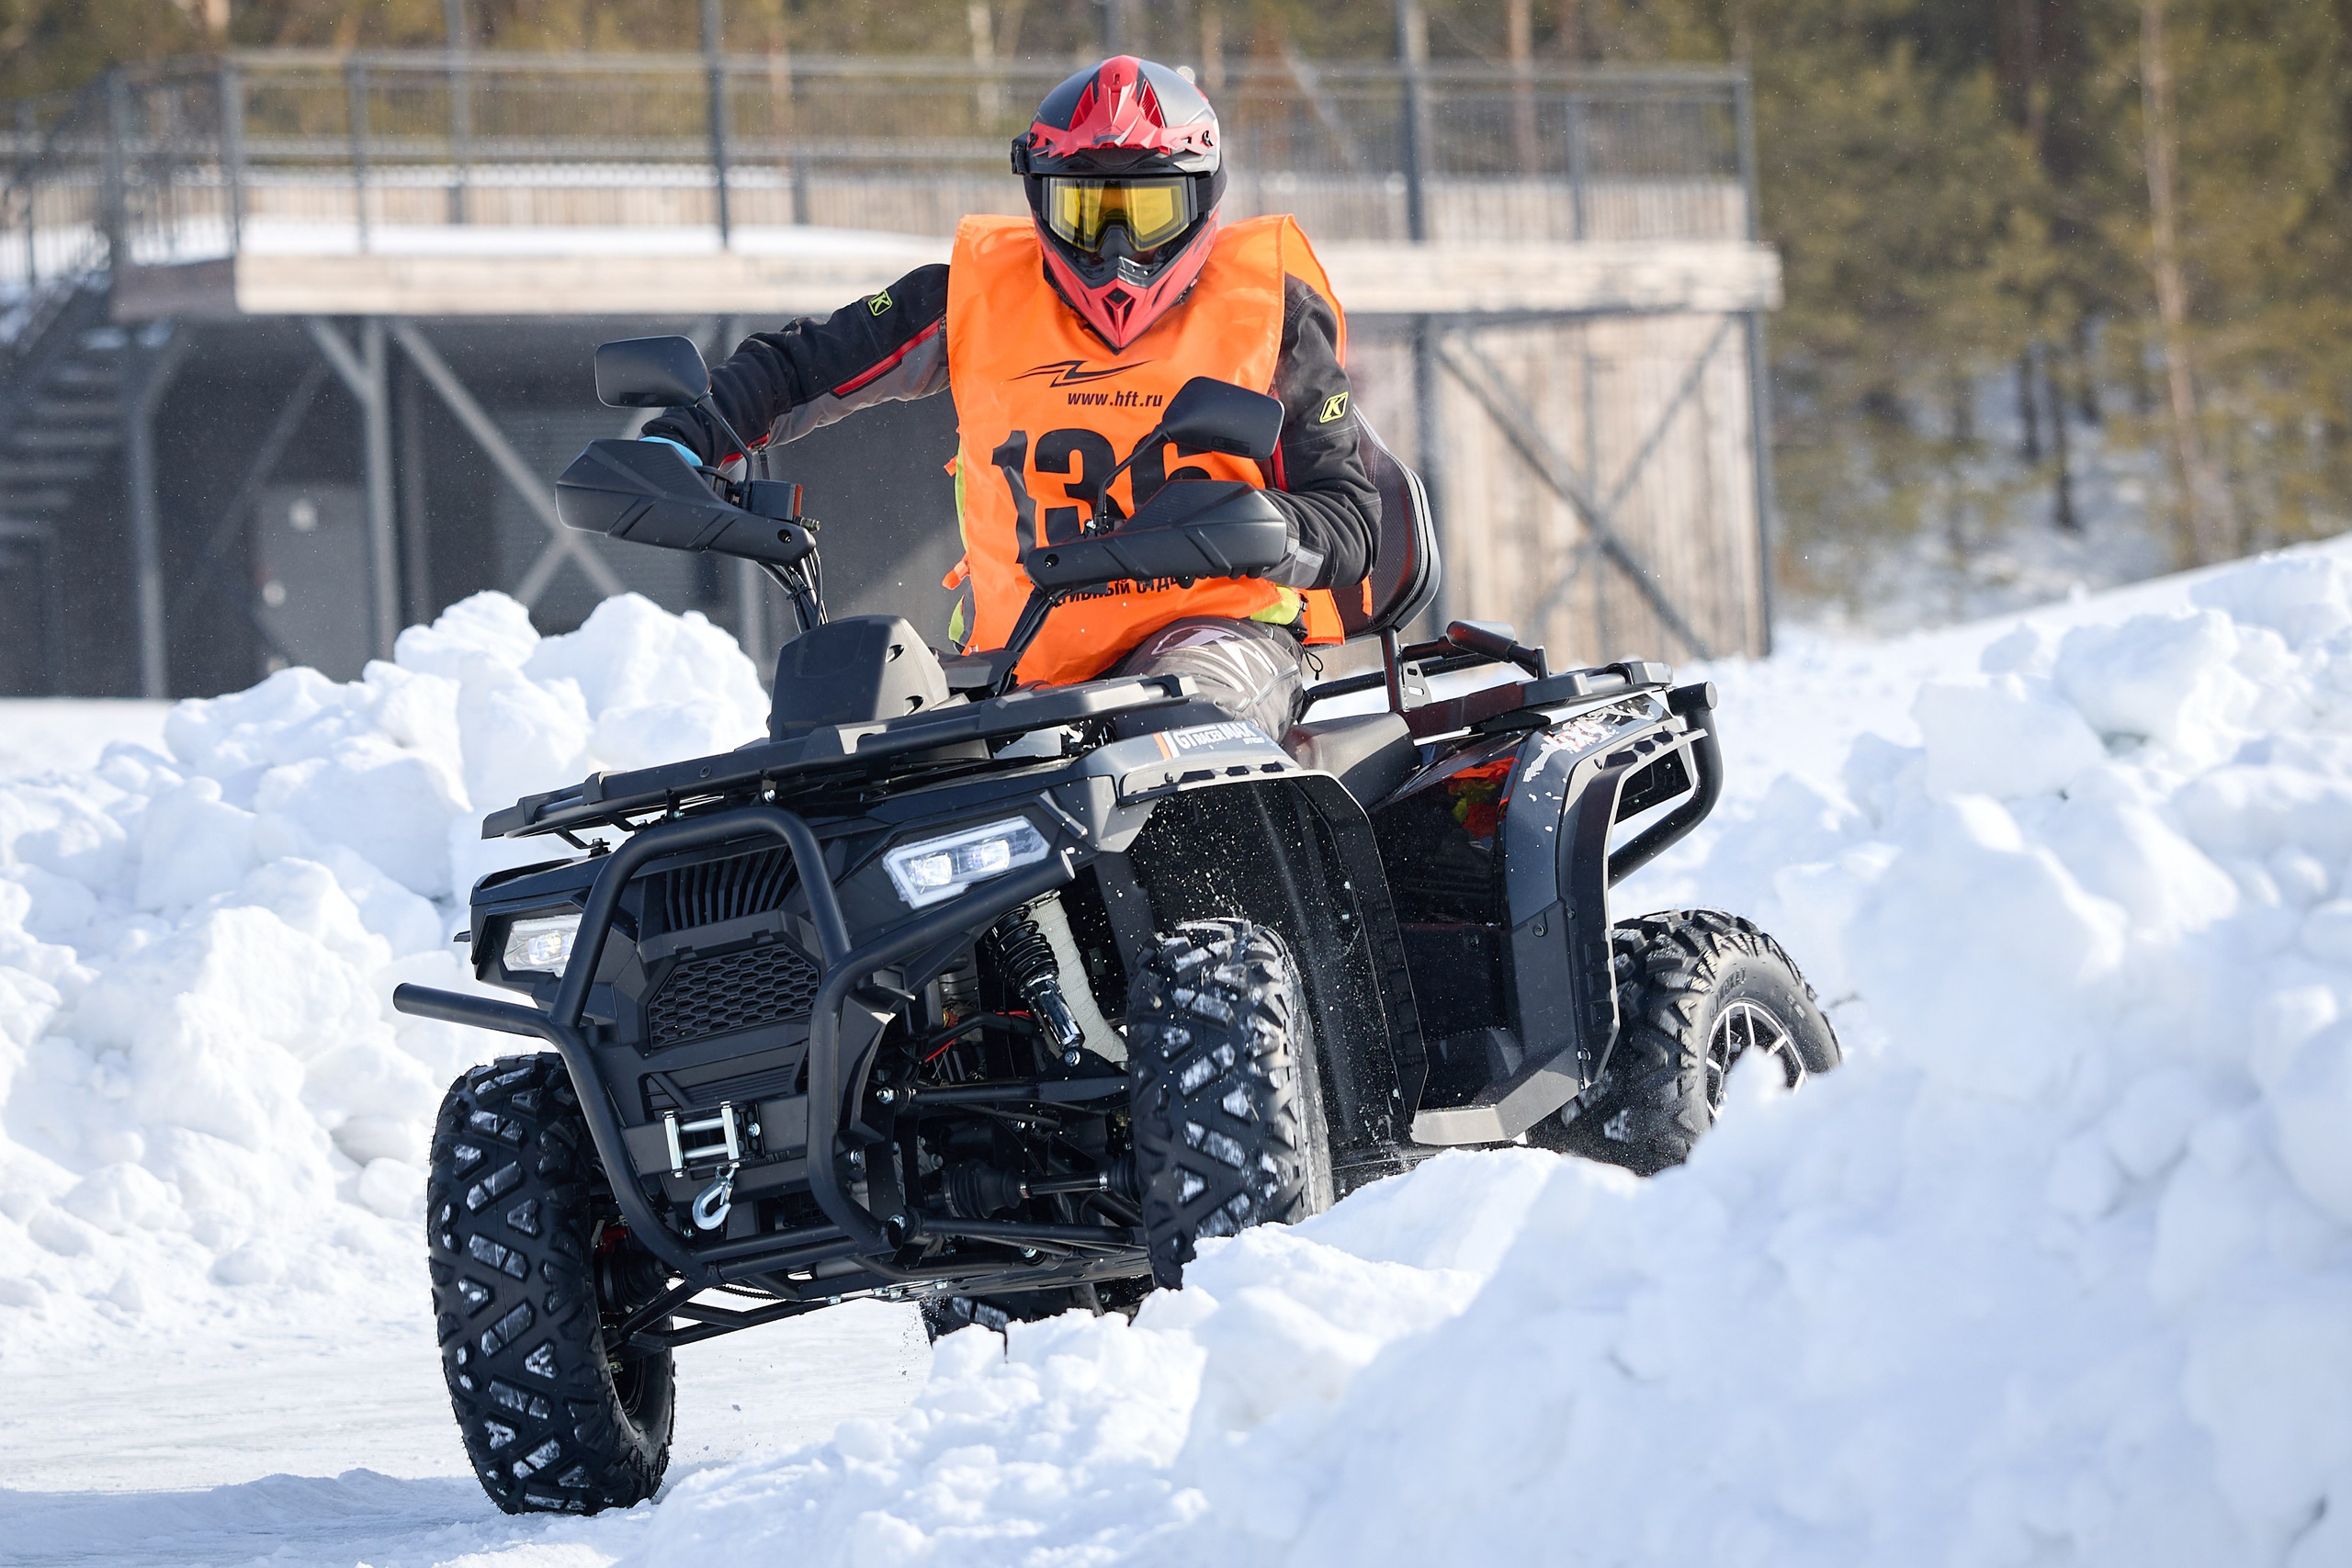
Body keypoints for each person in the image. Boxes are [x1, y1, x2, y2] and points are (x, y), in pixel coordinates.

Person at [641, 55, 1377, 740]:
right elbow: (801, 365)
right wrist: (685, 437)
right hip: (1015, 661)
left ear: (1202, 198)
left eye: (1147, 216)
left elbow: (1350, 522)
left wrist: (1246, 524)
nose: (1117, 253)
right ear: (1038, 200)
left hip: (1215, 640)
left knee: (1170, 733)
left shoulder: (1275, 314)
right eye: (1086, 216)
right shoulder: (970, 297)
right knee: (848, 757)